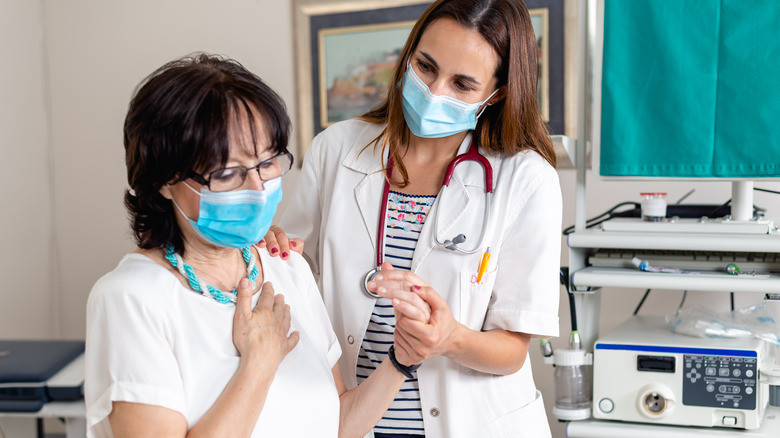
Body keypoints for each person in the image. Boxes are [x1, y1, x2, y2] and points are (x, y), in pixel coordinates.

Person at [264, 1, 562, 437]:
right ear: (407, 56)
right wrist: (273, 246)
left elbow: (512, 349)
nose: (434, 91)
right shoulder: (337, 149)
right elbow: (292, 272)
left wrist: (451, 338)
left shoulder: (526, 179)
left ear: (495, 95)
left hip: (473, 423)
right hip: (354, 417)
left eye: (462, 84)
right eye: (425, 66)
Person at [85, 53, 421, 438]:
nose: (258, 189)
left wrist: (402, 360)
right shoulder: (132, 298)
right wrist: (259, 364)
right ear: (162, 179)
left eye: (267, 163)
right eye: (226, 173)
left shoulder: (286, 267)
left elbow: (338, 424)